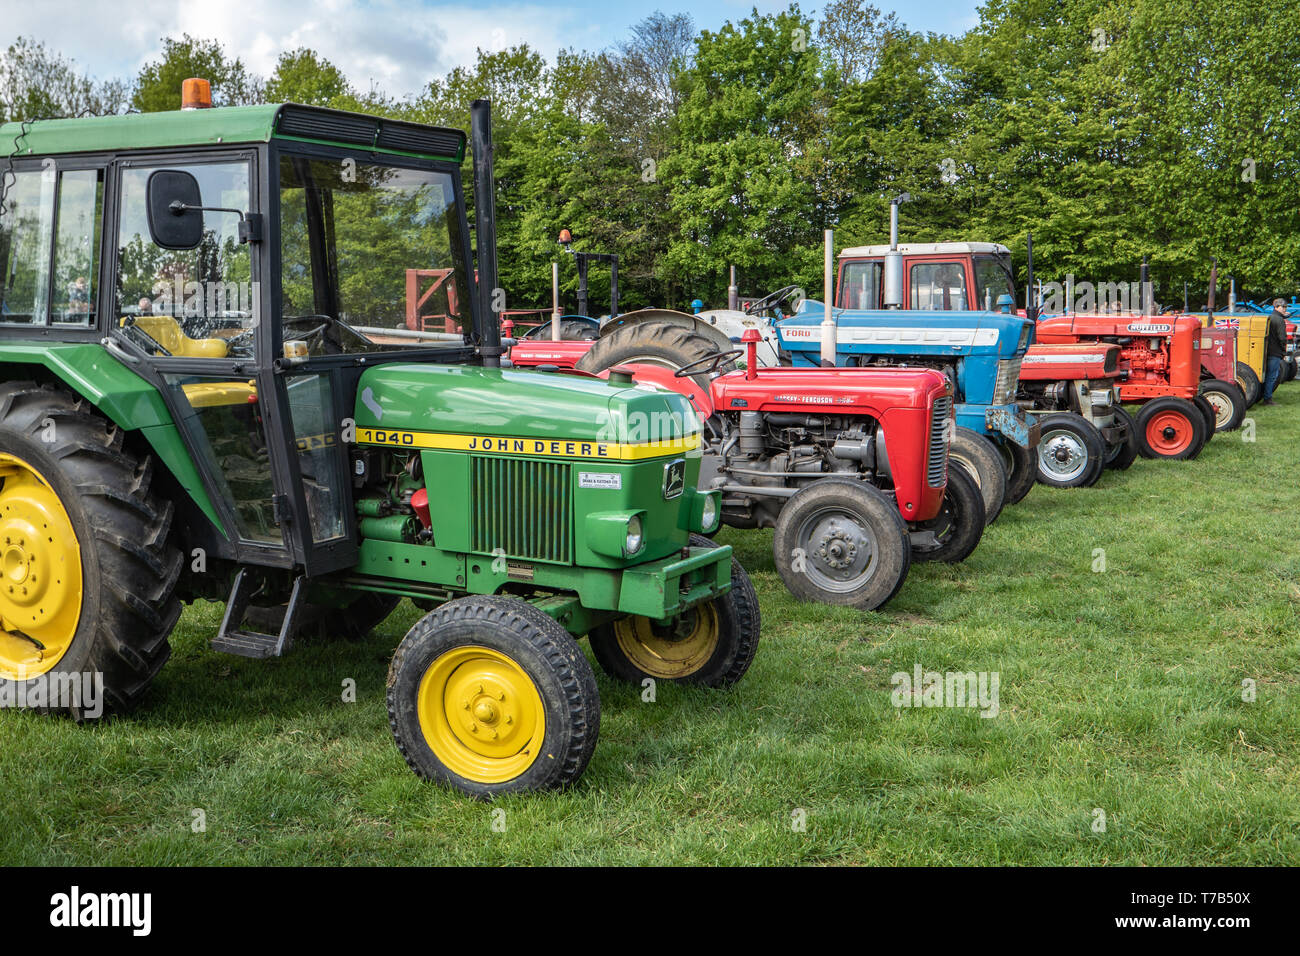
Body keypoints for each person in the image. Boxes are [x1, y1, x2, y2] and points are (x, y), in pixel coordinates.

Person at [1262, 297, 1288, 405]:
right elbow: (1282, 338)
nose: (1285, 309)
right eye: (1283, 307)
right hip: (1275, 352)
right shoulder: (1279, 320)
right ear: (1276, 307)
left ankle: (1265, 396)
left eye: (1285, 307)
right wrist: (1283, 350)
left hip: (1267, 351)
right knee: (1272, 376)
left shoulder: (1269, 317)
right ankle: (1267, 399)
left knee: (1267, 375)